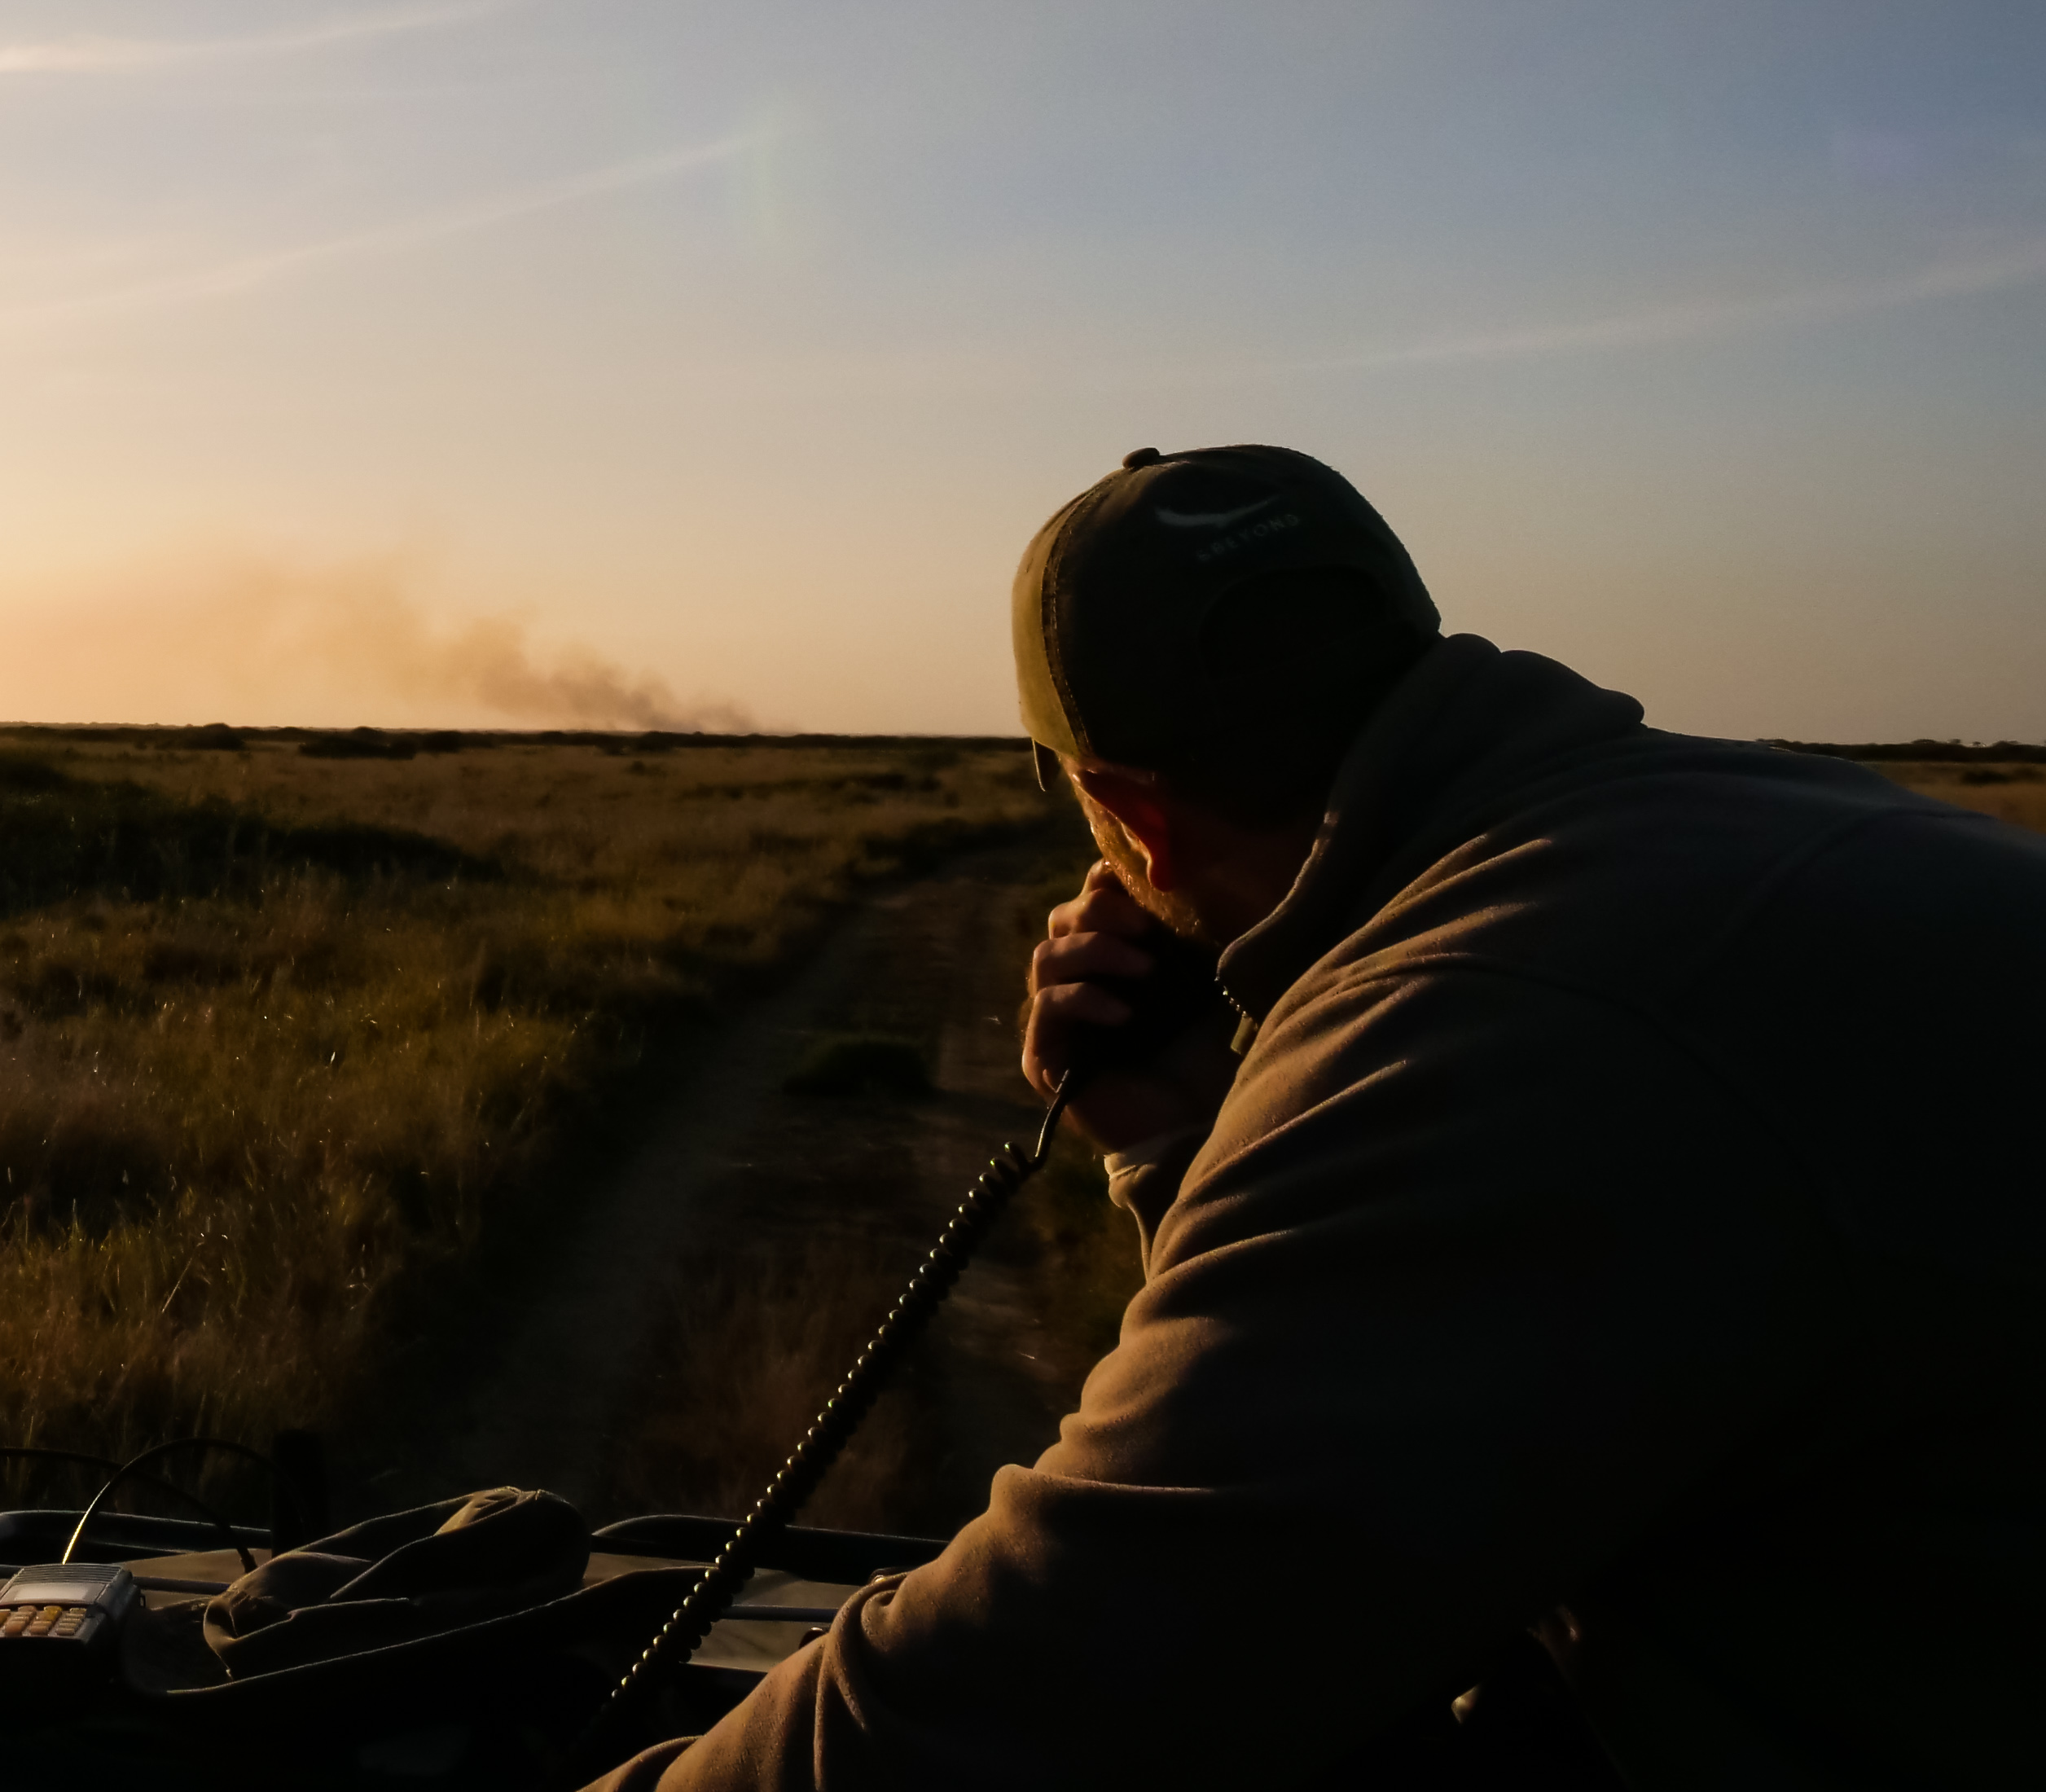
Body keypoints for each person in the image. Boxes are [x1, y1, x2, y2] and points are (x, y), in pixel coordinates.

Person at [599, 441, 2046, 1790]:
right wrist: (1172, 1139)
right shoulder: (1733, 831)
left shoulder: (1485, 1008)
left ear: (1129, 819)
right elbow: (1391, 1442)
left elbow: (1092, 1651)